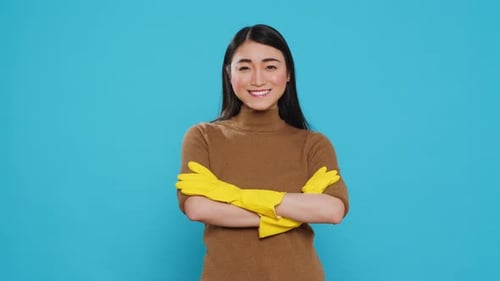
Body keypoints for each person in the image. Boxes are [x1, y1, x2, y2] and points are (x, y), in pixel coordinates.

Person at [175, 24, 349, 281]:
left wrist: (230, 196)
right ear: (229, 73)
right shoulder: (203, 137)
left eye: (270, 66)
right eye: (244, 67)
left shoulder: (312, 144)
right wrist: (293, 209)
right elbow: (197, 207)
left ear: (288, 73)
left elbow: (332, 210)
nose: (258, 79)